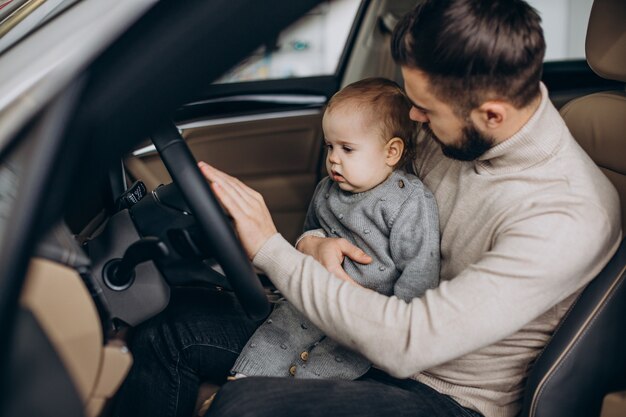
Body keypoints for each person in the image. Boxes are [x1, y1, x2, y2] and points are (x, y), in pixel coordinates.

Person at [115, 1, 621, 417]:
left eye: (425, 110)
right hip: (359, 336)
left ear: (491, 112)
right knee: (168, 332)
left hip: (441, 393)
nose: (414, 120)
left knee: (248, 407)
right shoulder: (459, 133)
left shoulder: (565, 216)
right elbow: (353, 210)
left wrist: (271, 249)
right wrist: (311, 243)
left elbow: (408, 342)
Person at [230, 77, 440, 381]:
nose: (332, 158)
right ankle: (242, 384)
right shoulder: (327, 190)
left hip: (360, 325)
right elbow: (310, 232)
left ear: (391, 152)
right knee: (273, 337)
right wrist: (313, 241)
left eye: (347, 149)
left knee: (330, 367)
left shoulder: (410, 201)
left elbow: (419, 276)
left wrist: (393, 327)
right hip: (309, 302)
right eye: (330, 146)